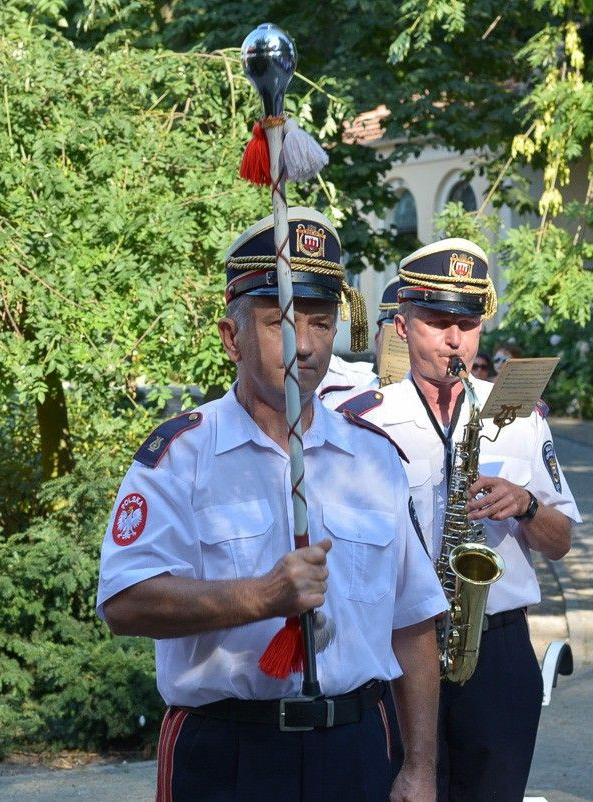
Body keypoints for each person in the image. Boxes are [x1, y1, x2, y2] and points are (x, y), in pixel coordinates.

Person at [98, 208, 446, 802]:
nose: (305, 346)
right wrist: (259, 597)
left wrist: (420, 769)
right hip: (230, 754)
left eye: (321, 321)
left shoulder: (375, 458)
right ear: (232, 336)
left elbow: (412, 623)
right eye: (279, 321)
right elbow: (125, 601)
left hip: (356, 748)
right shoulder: (181, 454)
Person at [327, 239, 582, 802]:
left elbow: (561, 542)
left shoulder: (519, 417)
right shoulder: (357, 421)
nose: (453, 340)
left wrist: (528, 504)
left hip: (498, 649)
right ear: (402, 324)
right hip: (397, 649)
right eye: (438, 321)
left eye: (467, 324)